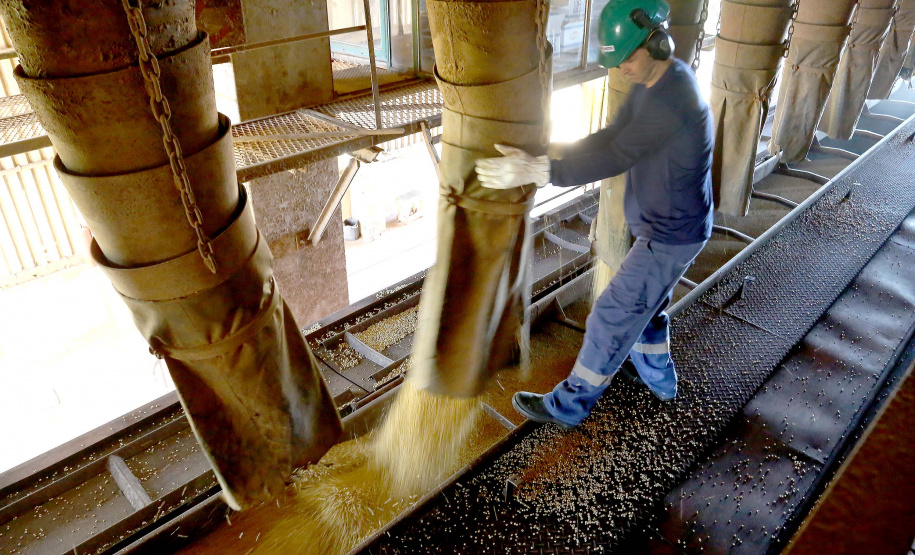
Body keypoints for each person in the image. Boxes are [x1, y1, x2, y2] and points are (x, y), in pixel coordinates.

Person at [474, 0, 713, 429]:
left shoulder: (671, 99)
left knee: (611, 313)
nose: (621, 68)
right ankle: (660, 382)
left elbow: (616, 156)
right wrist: (546, 154)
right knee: (647, 308)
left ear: (658, 43)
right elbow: (612, 135)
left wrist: (542, 171)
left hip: (671, 236)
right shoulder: (656, 83)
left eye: (627, 58)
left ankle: (568, 407)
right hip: (670, 228)